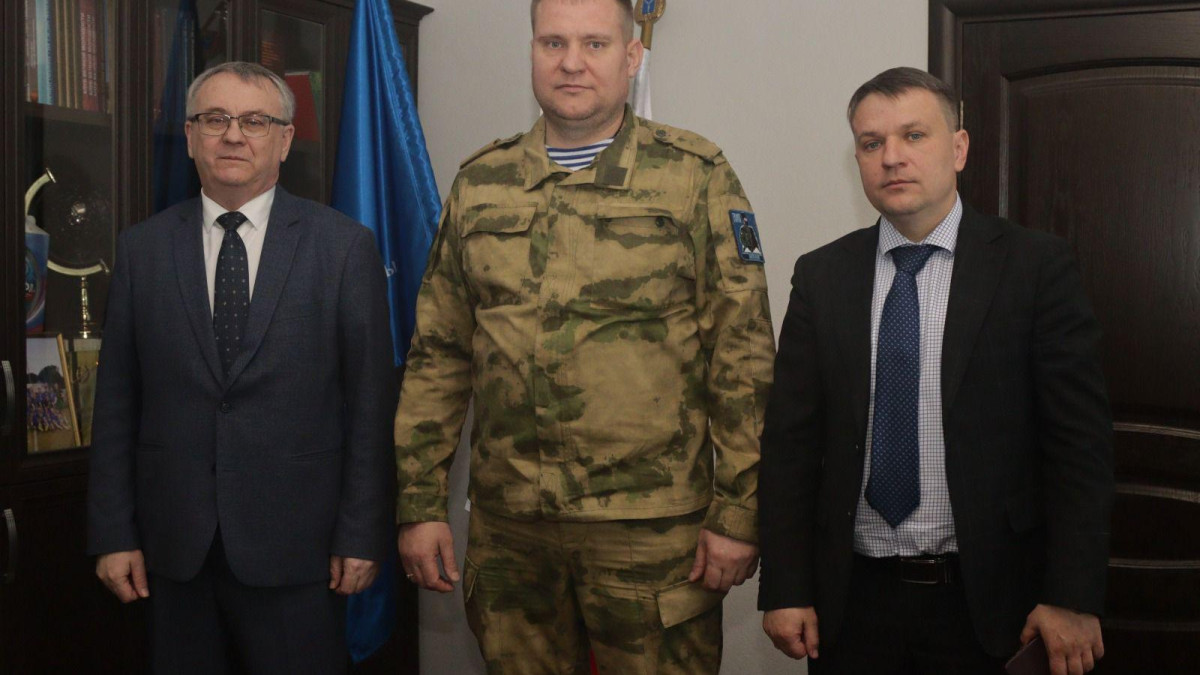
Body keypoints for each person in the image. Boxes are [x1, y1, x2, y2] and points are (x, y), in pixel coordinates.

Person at [393, 0, 775, 672]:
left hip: (651, 532)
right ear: (532, 53)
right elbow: (439, 356)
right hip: (512, 530)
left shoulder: (694, 174)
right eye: (553, 43)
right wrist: (420, 503)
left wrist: (739, 512)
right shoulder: (481, 182)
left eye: (594, 44)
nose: (571, 62)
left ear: (631, 57)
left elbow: (741, 355)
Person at [758, 67, 1114, 675]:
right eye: (871, 143)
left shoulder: (1035, 268)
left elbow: (1079, 446)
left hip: (992, 604)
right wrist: (786, 586)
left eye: (914, 136)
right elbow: (791, 444)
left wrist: (1073, 596)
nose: (891, 157)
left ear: (959, 148)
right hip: (853, 605)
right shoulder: (822, 277)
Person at [86, 61, 398, 674]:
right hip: (174, 553)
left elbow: (370, 407)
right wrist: (112, 533)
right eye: (215, 119)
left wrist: (362, 533)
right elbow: (117, 404)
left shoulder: (343, 248)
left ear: (284, 139)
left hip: (300, 553)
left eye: (255, 121)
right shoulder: (142, 250)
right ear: (190, 136)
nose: (233, 135)